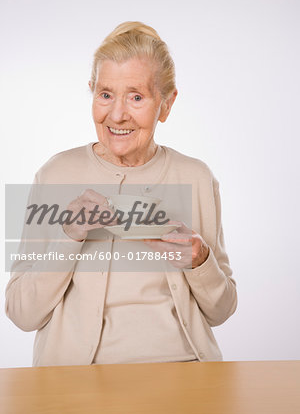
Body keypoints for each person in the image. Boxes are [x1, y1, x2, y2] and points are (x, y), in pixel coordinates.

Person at [5, 21, 237, 366]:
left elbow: (221, 310)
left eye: (137, 97)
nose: (117, 114)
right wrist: (69, 235)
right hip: (77, 381)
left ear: (166, 104)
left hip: (183, 370)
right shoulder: (55, 174)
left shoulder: (195, 177)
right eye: (105, 94)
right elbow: (21, 314)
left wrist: (200, 260)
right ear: (92, 92)